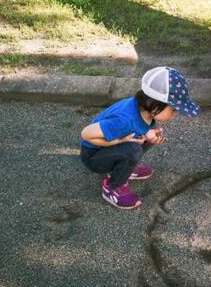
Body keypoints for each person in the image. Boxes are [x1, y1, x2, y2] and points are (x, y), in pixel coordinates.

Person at [80, 66, 199, 210]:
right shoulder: (125, 120)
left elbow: (141, 127)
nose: (175, 114)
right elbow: (86, 134)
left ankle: (123, 168)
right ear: (155, 105)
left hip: (110, 149)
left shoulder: (144, 109)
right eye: (173, 109)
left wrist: (148, 132)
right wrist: (120, 141)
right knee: (133, 150)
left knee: (148, 136)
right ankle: (113, 187)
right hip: (93, 157)